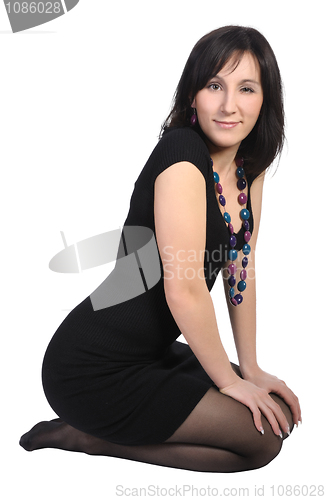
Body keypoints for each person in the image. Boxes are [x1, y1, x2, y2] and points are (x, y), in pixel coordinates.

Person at [20, 25, 302, 473]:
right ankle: (87, 438)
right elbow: (185, 290)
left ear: (265, 98)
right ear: (193, 94)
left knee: (276, 418)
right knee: (259, 441)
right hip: (92, 368)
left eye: (246, 88)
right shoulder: (182, 156)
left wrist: (251, 367)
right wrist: (229, 382)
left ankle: (100, 431)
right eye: (215, 86)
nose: (230, 105)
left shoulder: (250, 165)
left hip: (154, 354)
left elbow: (240, 267)